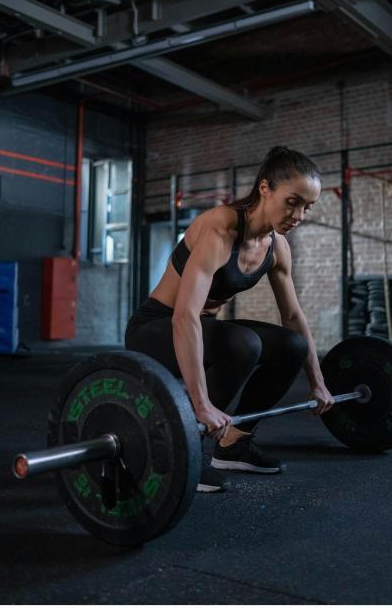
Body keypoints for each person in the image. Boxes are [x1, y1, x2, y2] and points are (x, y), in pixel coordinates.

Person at [125, 146, 335, 492]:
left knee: (291, 346)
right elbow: (184, 315)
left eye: (307, 207)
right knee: (242, 343)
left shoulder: (276, 247)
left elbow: (293, 316)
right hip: (155, 330)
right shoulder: (220, 228)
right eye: (293, 201)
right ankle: (181, 452)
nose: (299, 215)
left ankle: (234, 444)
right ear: (265, 188)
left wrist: (318, 381)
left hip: (201, 329)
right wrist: (201, 404)